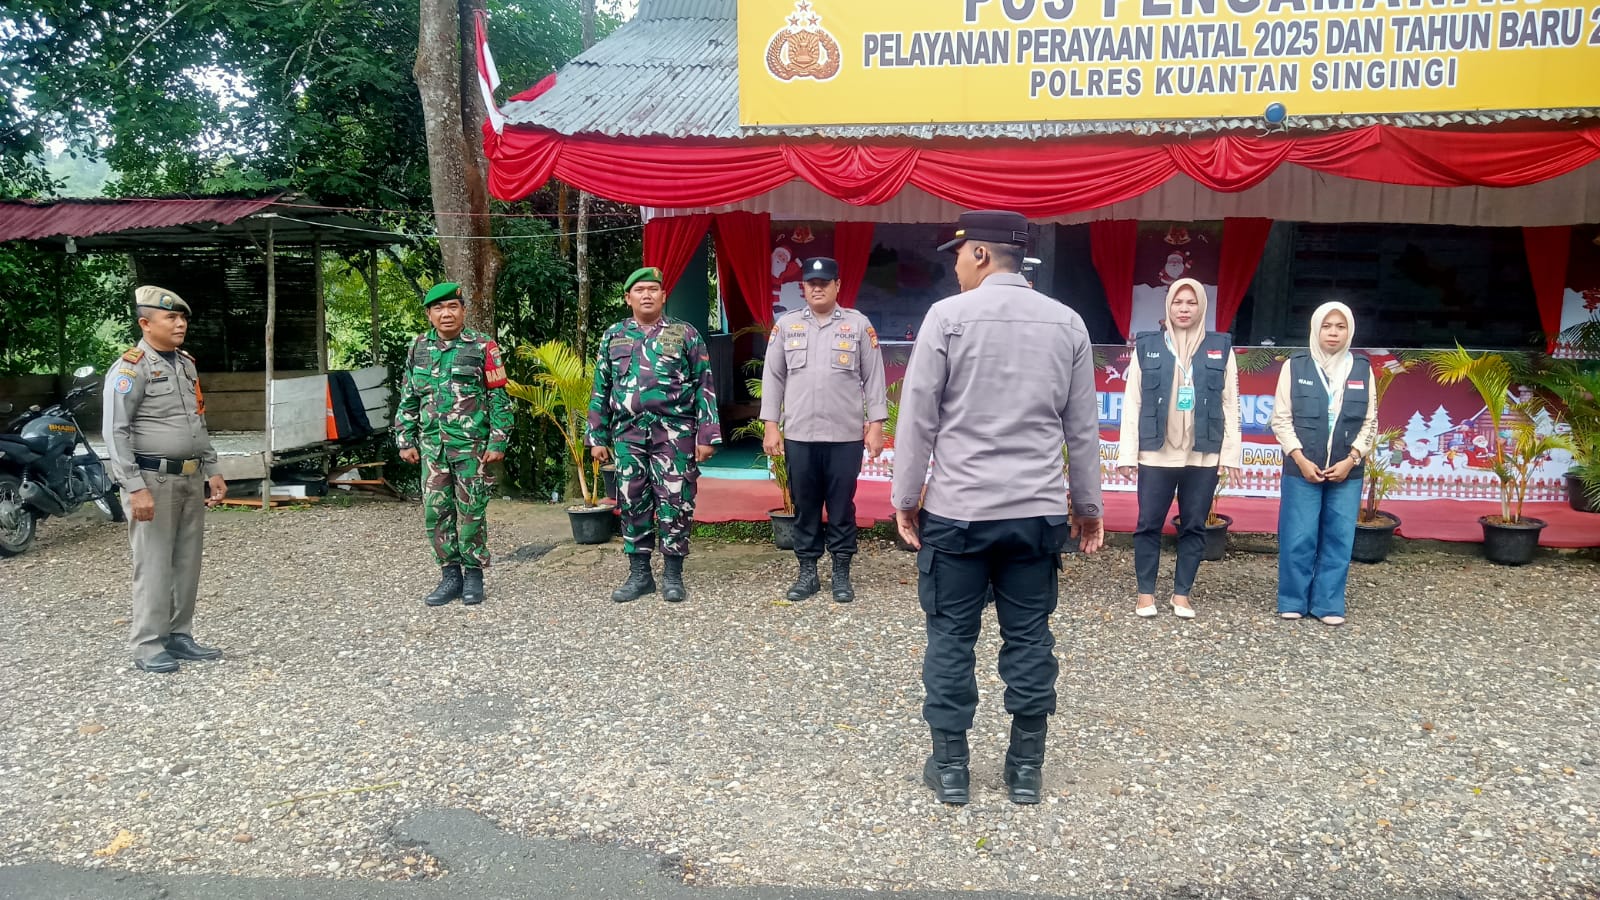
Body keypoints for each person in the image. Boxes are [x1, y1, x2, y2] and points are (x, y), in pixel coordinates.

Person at [892, 211, 1105, 807]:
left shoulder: (947, 318)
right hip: (1035, 514)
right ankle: (1025, 770)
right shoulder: (1067, 322)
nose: (956, 266)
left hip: (959, 511)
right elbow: (1082, 429)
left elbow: (918, 418)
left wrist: (905, 499)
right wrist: (1087, 505)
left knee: (951, 637)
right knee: (1030, 638)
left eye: (960, 255)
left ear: (981, 255)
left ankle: (952, 770)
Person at [102, 285, 229, 674]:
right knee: (154, 563)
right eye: (170, 317)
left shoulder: (185, 364)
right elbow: (115, 431)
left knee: (187, 562)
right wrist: (133, 487)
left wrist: (213, 469)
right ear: (145, 324)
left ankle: (178, 634)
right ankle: (147, 644)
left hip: (190, 477)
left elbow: (197, 420)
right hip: (152, 480)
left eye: (182, 317)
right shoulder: (131, 368)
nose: (180, 324)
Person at [589, 267, 721, 603]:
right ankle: (640, 574)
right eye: (639, 290)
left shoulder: (685, 333)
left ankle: (673, 574)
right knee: (632, 500)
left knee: (676, 500)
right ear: (628, 298)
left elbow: (704, 384)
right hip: (627, 433)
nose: (646, 295)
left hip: (674, 434)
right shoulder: (614, 336)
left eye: (652, 289)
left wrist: (707, 435)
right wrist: (596, 436)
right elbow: (601, 387)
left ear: (663, 296)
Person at [760, 257, 889, 603]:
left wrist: (876, 426)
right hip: (800, 435)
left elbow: (874, 378)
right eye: (811, 283)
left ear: (837, 286)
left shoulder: (857, 325)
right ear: (803, 287)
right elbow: (773, 377)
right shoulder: (786, 325)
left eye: (824, 283)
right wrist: (771, 425)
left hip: (844, 436)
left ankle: (841, 571)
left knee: (842, 506)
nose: (817, 289)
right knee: (805, 506)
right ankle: (808, 573)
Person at [1115, 278, 1242, 619]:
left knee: (1194, 526)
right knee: (1148, 524)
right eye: (1177, 302)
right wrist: (1127, 453)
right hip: (1156, 453)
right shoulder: (1147, 346)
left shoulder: (1220, 347)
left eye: (1191, 302)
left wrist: (1231, 454)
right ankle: (1145, 594)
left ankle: (1182, 594)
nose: (1184, 309)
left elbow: (1231, 404)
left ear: (1202, 307)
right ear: (1168, 306)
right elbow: (1133, 402)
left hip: (1202, 454)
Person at [395, 282, 513, 607]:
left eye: (452, 307)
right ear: (429, 314)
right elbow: (408, 396)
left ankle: (474, 575)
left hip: (471, 447)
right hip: (433, 448)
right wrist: (404, 438)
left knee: (472, 510)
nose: (446, 314)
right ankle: (450, 576)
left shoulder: (483, 346)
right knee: (435, 512)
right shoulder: (418, 347)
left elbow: (498, 397)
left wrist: (498, 440)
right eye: (438, 308)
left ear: (463, 311)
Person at [1269, 301, 1378, 626]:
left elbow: (1370, 421)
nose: (1333, 332)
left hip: (1347, 471)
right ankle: (1292, 600)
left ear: (1349, 331)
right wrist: (1299, 458)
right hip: (1302, 468)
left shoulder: (1362, 369)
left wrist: (1352, 458)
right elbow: (1281, 419)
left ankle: (1328, 604)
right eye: (1327, 326)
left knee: (1339, 537)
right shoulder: (1295, 366)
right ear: (1315, 329)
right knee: (1298, 536)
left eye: (1340, 327)